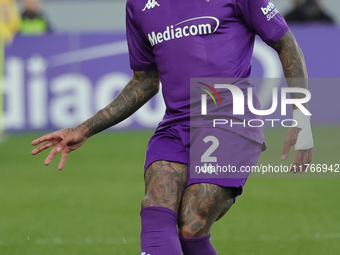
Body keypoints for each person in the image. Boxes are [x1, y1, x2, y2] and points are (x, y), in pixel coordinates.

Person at [31, 0, 314, 254]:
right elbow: (145, 80)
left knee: (192, 225)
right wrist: (84, 128)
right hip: (175, 125)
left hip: (231, 121)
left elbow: (286, 44)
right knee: (155, 206)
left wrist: (301, 117)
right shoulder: (139, 6)